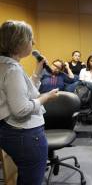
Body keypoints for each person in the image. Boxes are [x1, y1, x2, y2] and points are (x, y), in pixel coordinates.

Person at [0, 20, 58, 185]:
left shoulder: (4, 65)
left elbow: (23, 93)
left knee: (25, 178)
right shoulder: (13, 70)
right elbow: (21, 109)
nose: (33, 43)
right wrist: (45, 97)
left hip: (10, 131)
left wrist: (37, 73)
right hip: (26, 136)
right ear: (18, 42)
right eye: (30, 38)